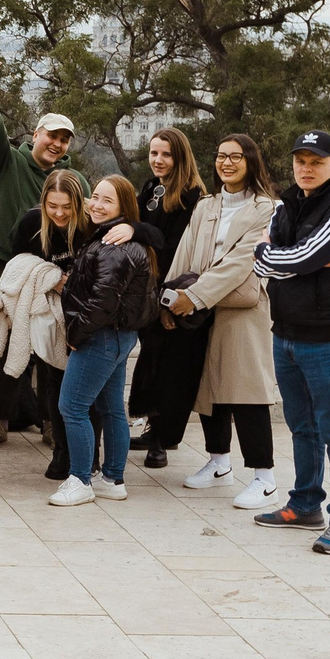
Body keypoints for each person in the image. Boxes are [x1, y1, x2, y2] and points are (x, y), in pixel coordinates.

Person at [250, 130, 330, 555]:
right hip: (285, 333)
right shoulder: (285, 203)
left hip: (327, 338)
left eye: (316, 161)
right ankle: (304, 505)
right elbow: (262, 258)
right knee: (302, 426)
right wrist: (302, 258)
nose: (307, 167)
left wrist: (295, 257)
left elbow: (293, 256)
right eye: (301, 160)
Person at [162, 133, 282, 509]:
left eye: (236, 157)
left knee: (246, 391)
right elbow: (185, 255)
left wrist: (192, 298)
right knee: (209, 387)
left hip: (240, 308)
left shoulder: (267, 208)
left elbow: (242, 261)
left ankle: (264, 478)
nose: (226, 163)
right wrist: (169, 300)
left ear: (251, 161)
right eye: (220, 156)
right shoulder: (206, 206)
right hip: (198, 307)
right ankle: (219, 464)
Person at [0, 46, 82, 449]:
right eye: (52, 135)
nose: (57, 144)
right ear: (36, 134)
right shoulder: (10, 163)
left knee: (53, 351)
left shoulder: (71, 182)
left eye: (64, 139)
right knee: (6, 345)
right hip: (11, 269)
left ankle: (51, 422)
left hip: (56, 274)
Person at [49, 175, 162, 507]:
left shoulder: (115, 246)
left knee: (71, 406)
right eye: (94, 197)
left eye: (106, 201)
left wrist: (75, 336)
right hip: (119, 336)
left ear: (123, 208)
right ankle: (112, 478)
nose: (96, 205)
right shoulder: (115, 238)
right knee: (112, 408)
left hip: (100, 336)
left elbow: (102, 302)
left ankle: (81, 479)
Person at [126, 127, 208, 467]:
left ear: (180, 157)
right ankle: (152, 429)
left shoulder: (191, 196)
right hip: (147, 286)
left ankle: (162, 439)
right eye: (153, 153)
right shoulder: (150, 188)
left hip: (172, 290)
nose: (158, 160)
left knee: (167, 369)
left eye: (166, 154)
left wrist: (166, 301)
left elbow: (172, 247)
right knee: (151, 362)